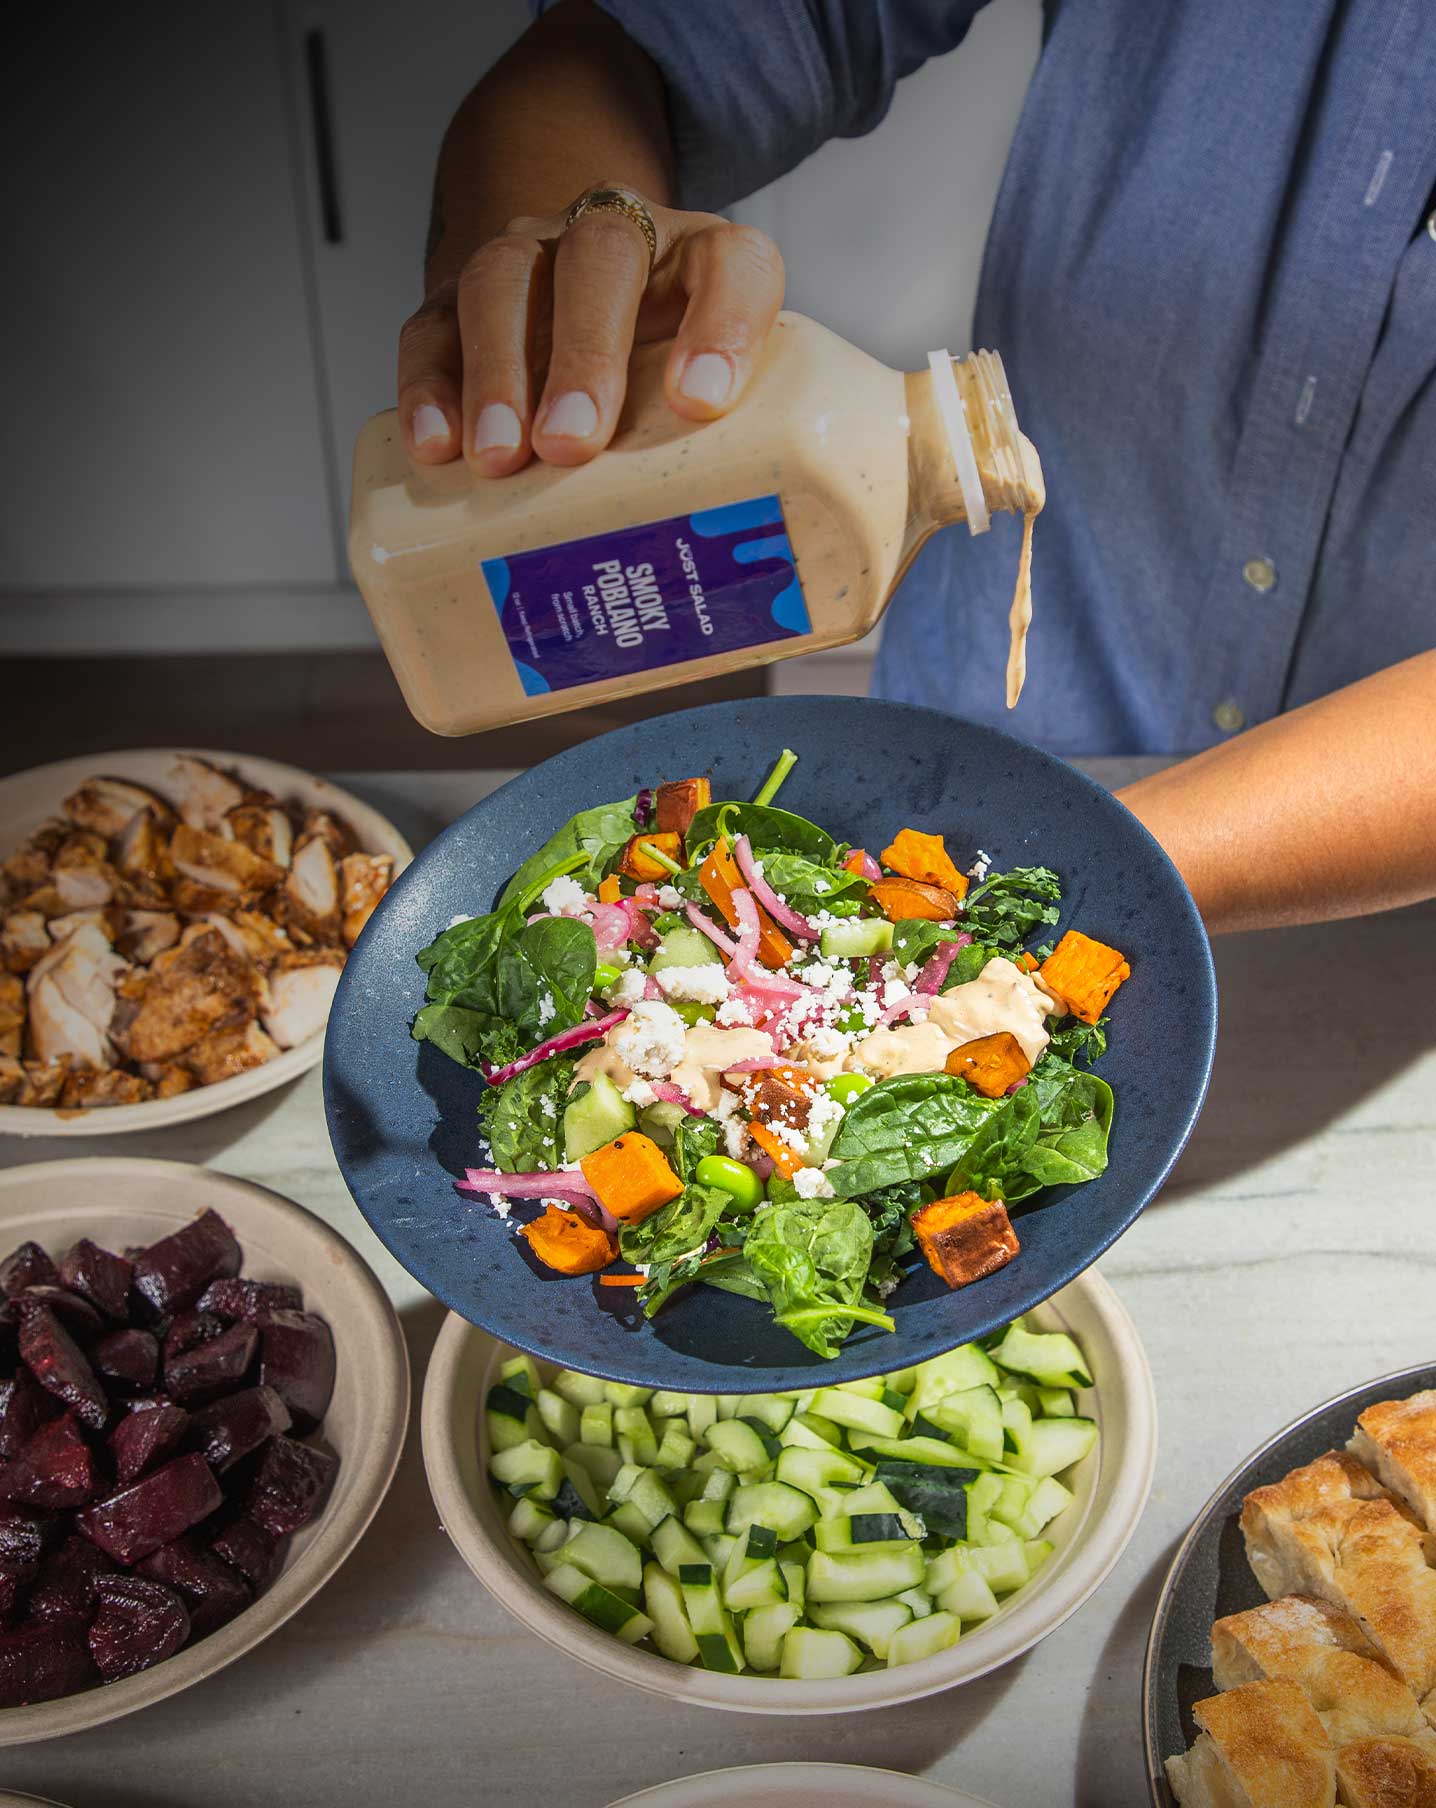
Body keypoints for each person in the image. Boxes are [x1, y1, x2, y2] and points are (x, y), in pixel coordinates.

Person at [394, 0, 1436, 935]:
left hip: (1382, 897)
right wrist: (568, 256)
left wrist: (1045, 879)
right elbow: (624, 39)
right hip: (966, 748)